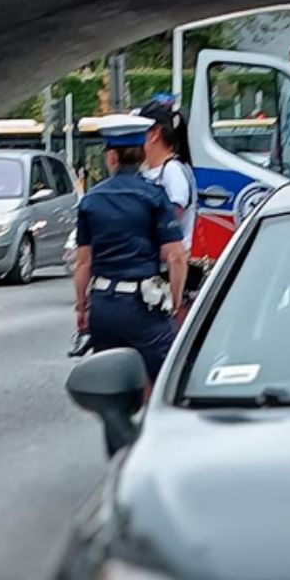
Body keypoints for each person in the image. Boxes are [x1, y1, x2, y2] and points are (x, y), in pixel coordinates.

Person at [73, 114, 187, 388]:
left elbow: (82, 262)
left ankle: (118, 425)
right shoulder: (154, 196)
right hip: (142, 306)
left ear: (111, 157)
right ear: (142, 154)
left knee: (111, 384)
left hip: (103, 305)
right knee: (165, 380)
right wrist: (175, 300)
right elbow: (176, 256)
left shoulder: (91, 199)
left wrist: (82, 306)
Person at [136, 97, 198, 316]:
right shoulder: (145, 172)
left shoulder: (173, 171)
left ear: (154, 134)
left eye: (139, 133)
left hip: (170, 273)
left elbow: (170, 220)